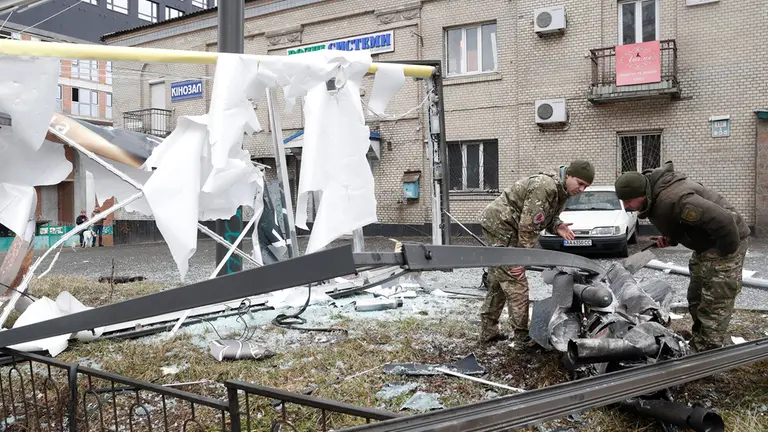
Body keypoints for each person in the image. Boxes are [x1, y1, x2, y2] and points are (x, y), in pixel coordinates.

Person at [614, 161, 750, 352]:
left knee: (715, 299)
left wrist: (724, 254)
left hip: (725, 240)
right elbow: (684, 223)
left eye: (629, 201)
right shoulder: (654, 198)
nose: (626, 206)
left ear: (642, 194)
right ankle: (699, 339)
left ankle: (707, 351)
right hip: (706, 245)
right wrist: (671, 239)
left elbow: (724, 221)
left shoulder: (677, 199)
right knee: (696, 296)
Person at [479, 160, 595, 346]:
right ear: (568, 175)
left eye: (586, 187)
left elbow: (545, 216)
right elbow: (528, 227)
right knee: (515, 280)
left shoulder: (561, 191)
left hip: (510, 225)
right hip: (502, 226)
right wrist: (522, 260)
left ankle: (488, 331)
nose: (581, 189)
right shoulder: (545, 186)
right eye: (580, 183)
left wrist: (557, 225)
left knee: (499, 278)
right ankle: (521, 338)